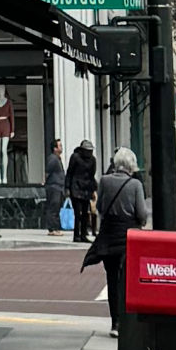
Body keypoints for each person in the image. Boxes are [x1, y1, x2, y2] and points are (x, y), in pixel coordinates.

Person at [95, 145, 149, 335]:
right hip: (128, 237)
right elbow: (142, 213)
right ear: (131, 165)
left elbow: (100, 207)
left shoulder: (104, 181)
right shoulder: (135, 185)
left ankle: (115, 322)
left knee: (112, 279)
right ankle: (127, 320)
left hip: (108, 235)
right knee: (127, 279)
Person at [66, 138, 97, 244]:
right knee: (77, 213)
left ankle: (83, 234)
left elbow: (92, 175)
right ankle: (76, 235)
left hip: (86, 188)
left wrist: (93, 190)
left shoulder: (92, 160)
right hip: (76, 187)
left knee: (85, 213)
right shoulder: (75, 157)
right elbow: (69, 173)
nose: (89, 153)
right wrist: (67, 188)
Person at [44, 138, 66, 238]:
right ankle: (52, 228)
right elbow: (47, 172)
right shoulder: (53, 159)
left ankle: (56, 227)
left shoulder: (57, 159)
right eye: (59, 146)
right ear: (54, 148)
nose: (61, 147)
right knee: (53, 207)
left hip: (58, 186)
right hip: (54, 186)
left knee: (56, 208)